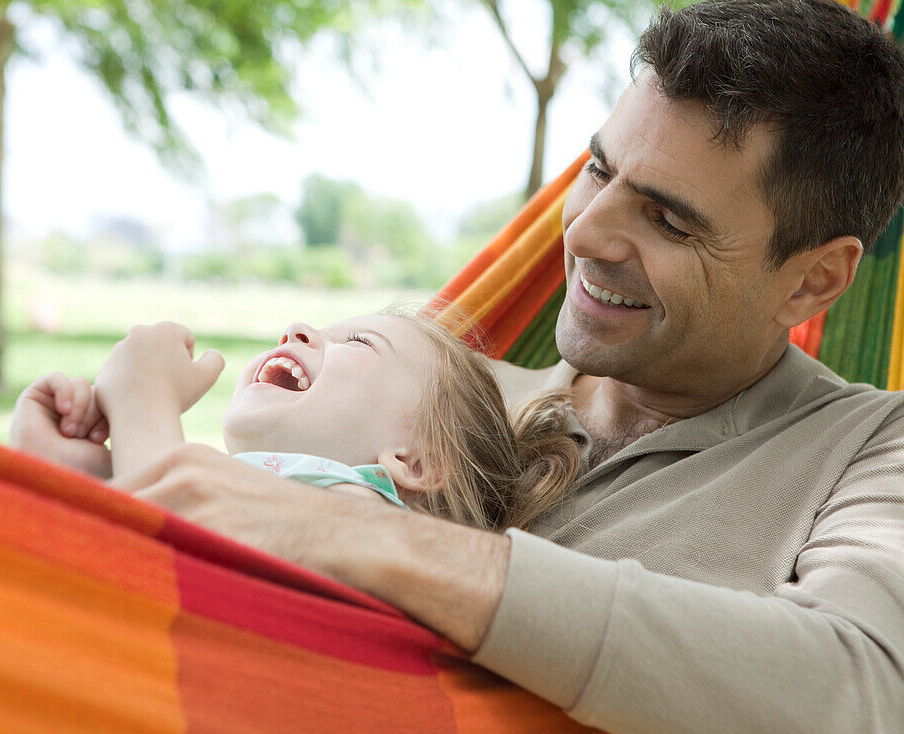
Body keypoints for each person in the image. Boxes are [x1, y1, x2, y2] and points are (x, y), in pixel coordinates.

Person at [51, 1, 904, 731]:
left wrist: (368, 536)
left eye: (670, 222)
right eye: (598, 171)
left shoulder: (869, 452)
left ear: (815, 280)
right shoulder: (441, 396)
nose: (586, 234)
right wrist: (66, 485)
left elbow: (862, 684)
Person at [10, 311, 581, 532]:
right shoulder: (277, 491)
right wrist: (87, 476)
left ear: (415, 461)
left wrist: (142, 400)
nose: (299, 329)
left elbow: (170, 560)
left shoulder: (361, 515)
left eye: (358, 341)